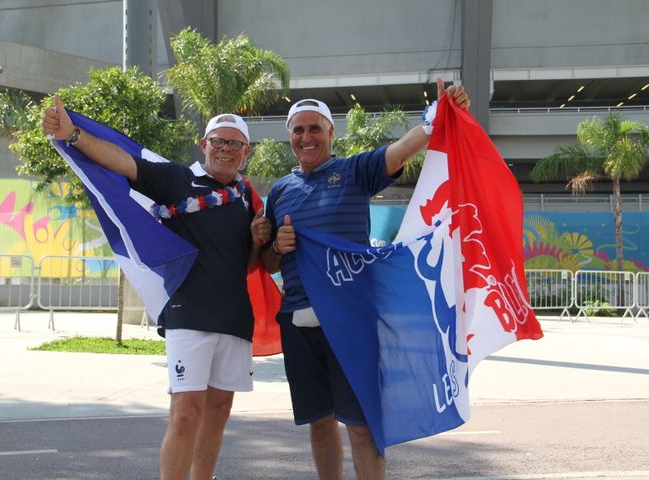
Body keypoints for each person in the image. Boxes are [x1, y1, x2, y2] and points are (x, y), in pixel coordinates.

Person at [42, 97, 271, 480]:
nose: (226, 149)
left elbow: (248, 267)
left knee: (217, 417)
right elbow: (122, 162)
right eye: (219, 141)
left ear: (245, 152)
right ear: (204, 144)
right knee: (185, 415)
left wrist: (257, 241)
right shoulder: (177, 179)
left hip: (234, 320)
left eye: (235, 143)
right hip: (188, 315)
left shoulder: (248, 199)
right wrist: (74, 135)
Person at [258, 79, 471, 479]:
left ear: (330, 133)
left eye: (315, 128)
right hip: (298, 322)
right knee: (319, 422)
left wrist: (435, 119)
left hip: (349, 321)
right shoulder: (280, 192)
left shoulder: (353, 171)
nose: (306, 137)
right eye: (298, 130)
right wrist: (277, 247)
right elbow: (269, 263)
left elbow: (403, 149)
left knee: (360, 424)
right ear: (290, 137)